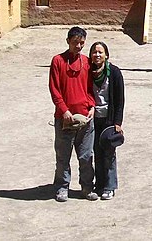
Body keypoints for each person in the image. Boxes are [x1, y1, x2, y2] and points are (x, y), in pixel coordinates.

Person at [49, 26, 98, 202]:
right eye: (75, 42)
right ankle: (62, 188)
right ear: (68, 41)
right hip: (64, 119)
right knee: (63, 156)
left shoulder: (86, 62)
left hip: (85, 118)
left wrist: (92, 105)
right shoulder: (58, 61)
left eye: (82, 43)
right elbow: (55, 90)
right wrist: (64, 110)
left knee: (86, 156)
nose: (78, 46)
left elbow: (90, 89)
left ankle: (86, 187)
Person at [89, 41, 125, 200]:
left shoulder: (115, 73)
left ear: (106, 55)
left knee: (109, 153)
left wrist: (118, 122)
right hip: (92, 120)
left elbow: (120, 99)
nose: (97, 55)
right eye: (94, 52)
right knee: (96, 152)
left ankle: (110, 186)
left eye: (100, 52)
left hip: (109, 120)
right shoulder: (88, 72)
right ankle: (99, 184)